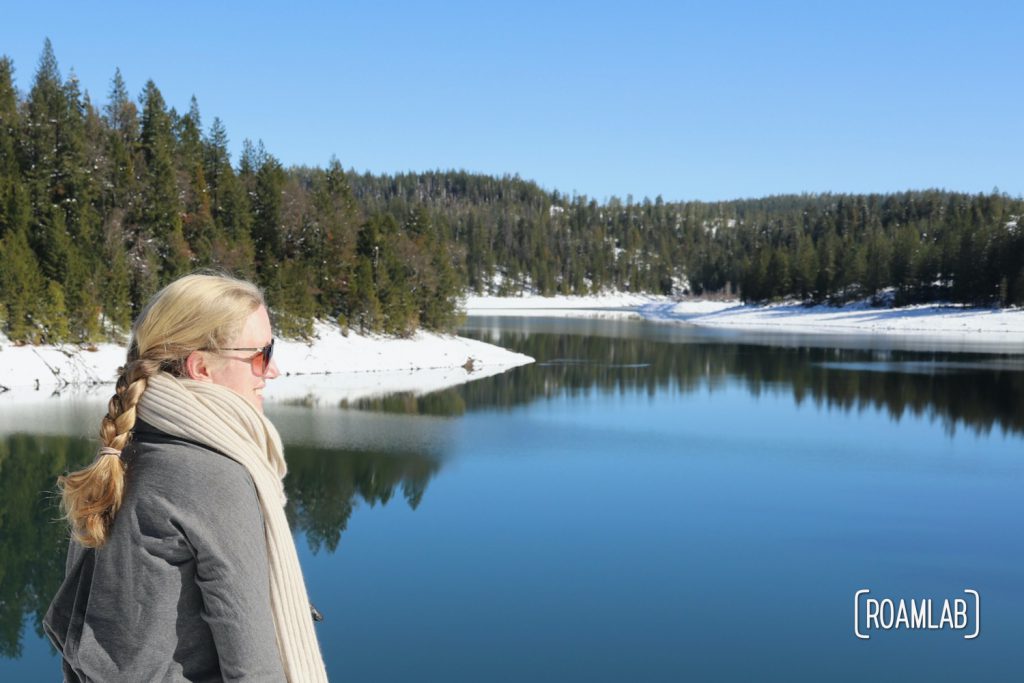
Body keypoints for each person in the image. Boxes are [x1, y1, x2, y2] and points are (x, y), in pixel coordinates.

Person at [43, 273, 328, 682]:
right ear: (201, 368)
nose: (274, 370)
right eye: (263, 353)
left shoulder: (123, 451)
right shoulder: (212, 477)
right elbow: (255, 671)